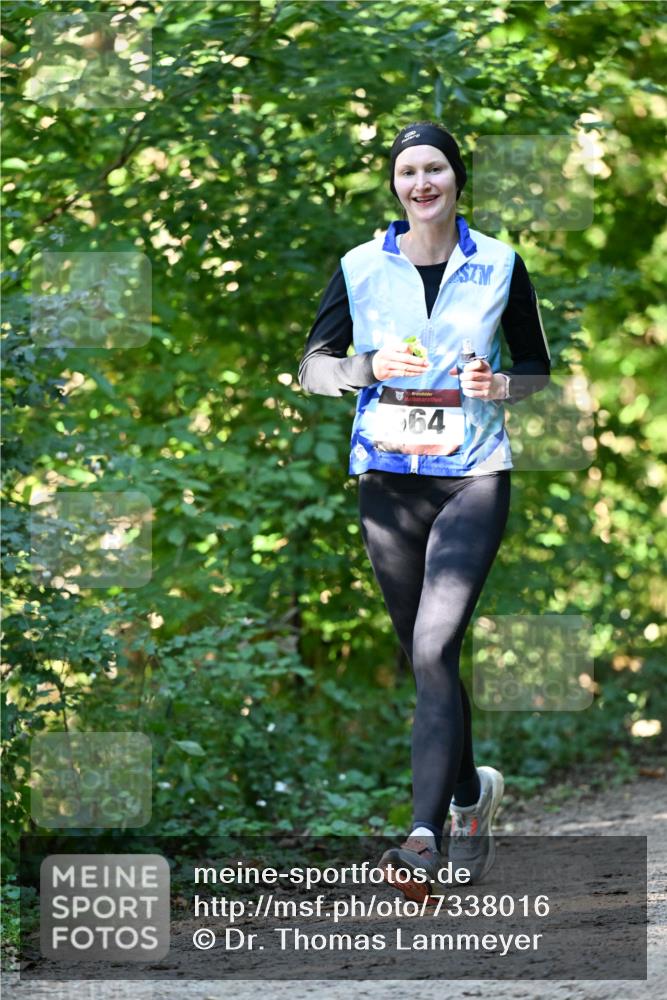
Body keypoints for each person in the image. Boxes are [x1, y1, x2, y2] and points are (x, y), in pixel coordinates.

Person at [298, 121, 551, 902]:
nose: (421, 183)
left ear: (455, 178)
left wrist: (499, 386)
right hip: (387, 479)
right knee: (422, 657)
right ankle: (472, 796)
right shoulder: (360, 266)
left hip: (472, 474)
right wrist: (366, 366)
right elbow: (311, 370)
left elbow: (535, 367)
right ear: (395, 184)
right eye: (407, 171)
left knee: (437, 645)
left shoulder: (499, 263)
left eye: (433, 167)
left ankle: (421, 836)